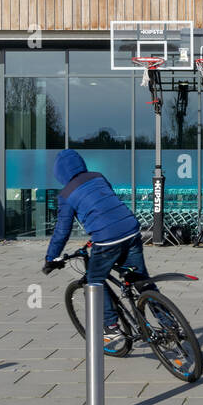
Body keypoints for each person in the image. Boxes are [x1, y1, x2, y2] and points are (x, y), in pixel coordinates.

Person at [41, 148, 146, 354]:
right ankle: (169, 322)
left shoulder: (66, 194)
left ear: (59, 173)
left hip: (107, 240)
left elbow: (62, 230)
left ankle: (111, 326)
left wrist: (51, 258)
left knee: (93, 281)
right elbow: (105, 205)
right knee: (142, 281)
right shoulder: (98, 177)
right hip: (131, 229)